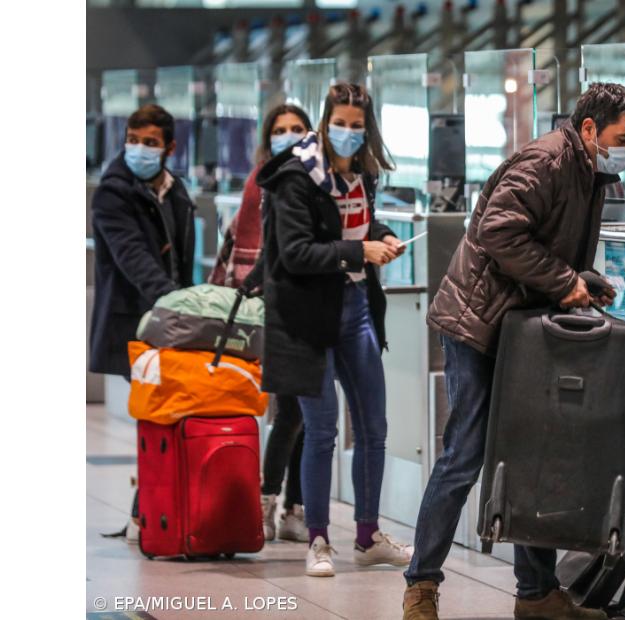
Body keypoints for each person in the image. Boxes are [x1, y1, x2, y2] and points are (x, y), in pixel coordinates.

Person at [402, 82, 625, 620]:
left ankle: (536, 594)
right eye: (622, 137)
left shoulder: (589, 170)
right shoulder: (547, 162)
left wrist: (579, 280)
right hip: (478, 325)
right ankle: (421, 588)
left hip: (521, 325)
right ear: (588, 129)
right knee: (465, 454)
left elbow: (543, 244)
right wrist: (561, 281)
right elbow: (499, 233)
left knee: (534, 454)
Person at [253, 82, 412, 577]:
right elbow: (296, 253)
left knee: (374, 428)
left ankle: (367, 536)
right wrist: (357, 252)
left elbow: (357, 229)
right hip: (307, 317)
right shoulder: (297, 177)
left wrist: (381, 238)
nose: (347, 132)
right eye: (339, 122)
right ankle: (318, 538)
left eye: (356, 125)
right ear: (324, 123)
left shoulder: (362, 174)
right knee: (321, 430)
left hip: (356, 307)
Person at [90, 104, 196, 542]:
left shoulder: (176, 189)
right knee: (154, 415)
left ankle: (156, 507)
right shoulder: (112, 193)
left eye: (150, 142)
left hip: (172, 319)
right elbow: (131, 255)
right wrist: (178, 303)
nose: (139, 149)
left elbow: (182, 254)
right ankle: (148, 511)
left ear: (170, 147)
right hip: (135, 321)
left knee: (169, 414)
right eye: (133, 140)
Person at [209, 104, 314, 544]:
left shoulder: (316, 179)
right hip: (276, 306)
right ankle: (270, 500)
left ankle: (292, 506)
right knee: (291, 409)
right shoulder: (265, 179)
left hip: (311, 305)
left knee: (306, 411)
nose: (288, 136)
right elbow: (259, 246)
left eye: (297, 129)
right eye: (280, 130)